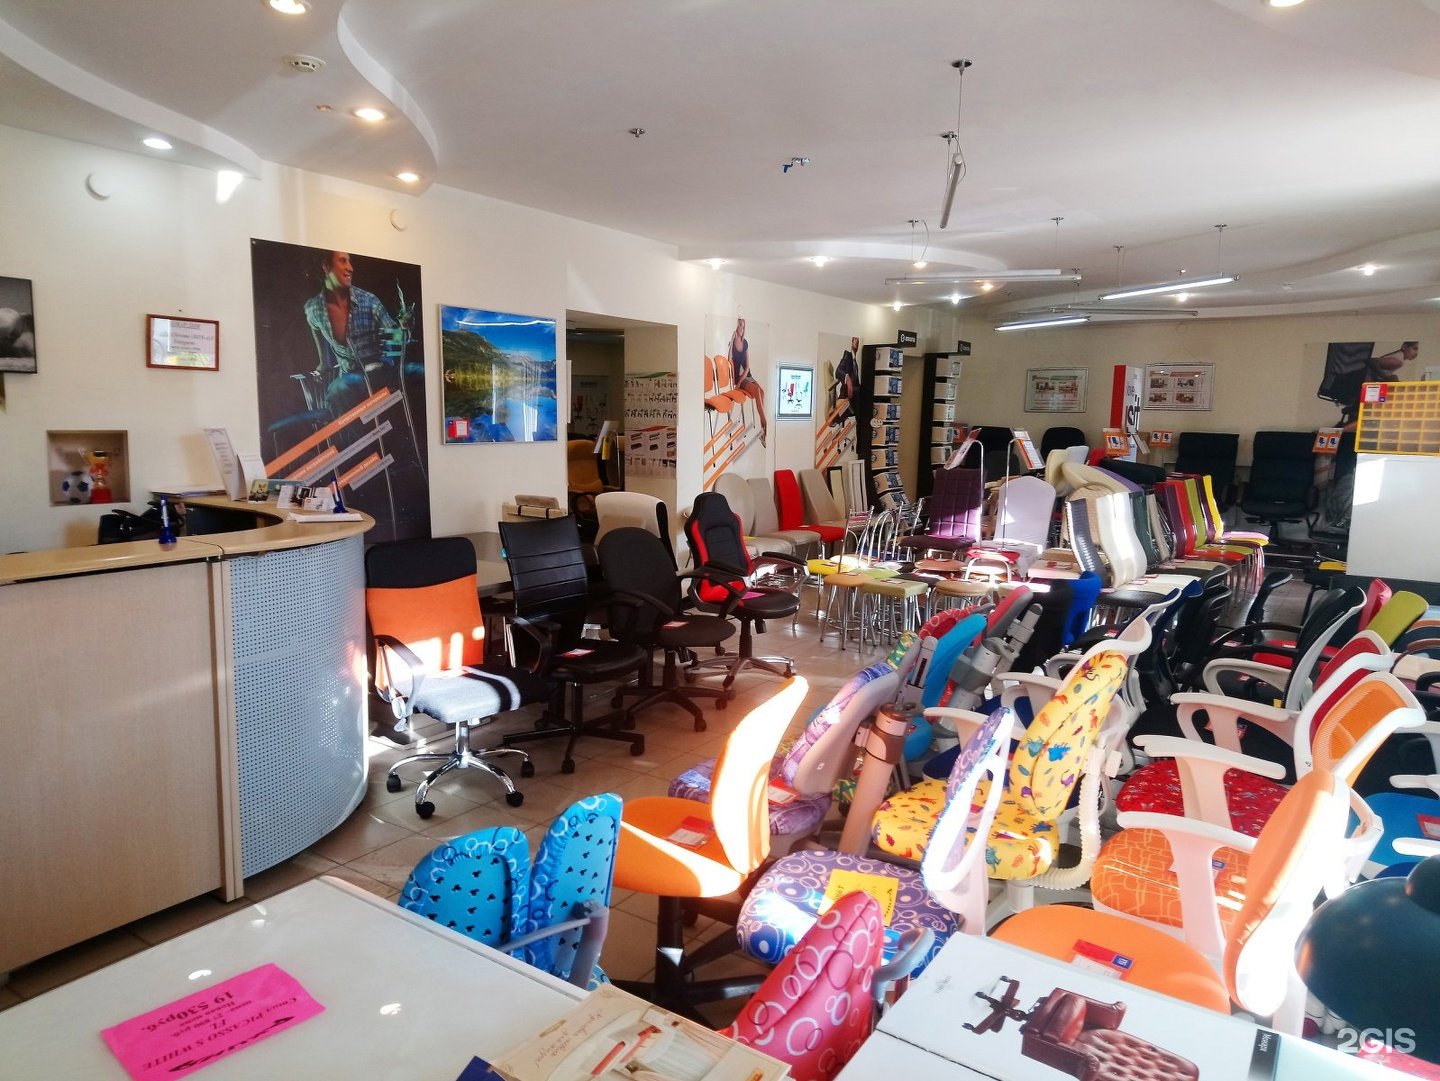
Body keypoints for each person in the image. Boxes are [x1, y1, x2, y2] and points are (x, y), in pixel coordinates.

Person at [302, 250, 409, 416]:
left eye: (350, 261)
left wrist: (403, 329)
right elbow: (314, 327)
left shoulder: (369, 301)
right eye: (343, 261)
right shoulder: (313, 308)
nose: (350, 268)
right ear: (326, 266)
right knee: (338, 390)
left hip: (380, 372)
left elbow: (398, 340)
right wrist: (323, 363)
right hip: (351, 376)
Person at [727, 316, 768, 448]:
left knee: (761, 392)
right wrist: (731, 341)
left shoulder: (745, 343)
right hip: (739, 378)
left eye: (744, 327)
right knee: (757, 391)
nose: (742, 329)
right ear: (736, 325)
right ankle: (766, 427)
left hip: (746, 376)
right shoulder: (733, 343)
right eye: (740, 325)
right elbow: (729, 360)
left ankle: (763, 430)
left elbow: (748, 366)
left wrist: (742, 380)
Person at [832, 336, 859, 423]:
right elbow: (838, 371)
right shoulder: (847, 356)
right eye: (855, 340)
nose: (857, 342)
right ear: (851, 342)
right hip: (847, 395)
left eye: (858, 341)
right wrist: (847, 378)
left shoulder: (855, 360)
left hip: (855, 396)